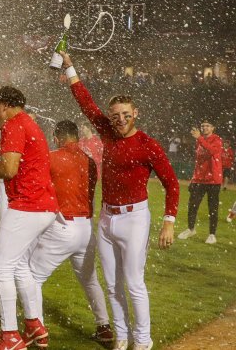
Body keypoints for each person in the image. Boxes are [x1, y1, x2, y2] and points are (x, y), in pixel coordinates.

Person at [61, 51, 179, 350]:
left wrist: (169, 222)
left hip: (134, 218)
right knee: (112, 285)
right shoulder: (107, 132)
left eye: (126, 115)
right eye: (115, 116)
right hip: (107, 217)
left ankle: (143, 341)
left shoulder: (147, 144)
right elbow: (85, 103)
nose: (121, 120)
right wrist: (70, 67)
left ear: (135, 113)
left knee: (134, 283)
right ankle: (123, 338)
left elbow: (172, 183)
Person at [0, 86, 58, 350]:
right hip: (43, 205)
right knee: (18, 267)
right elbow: (15, 163)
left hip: (28, 205)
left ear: (4, 105)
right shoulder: (26, 123)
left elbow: (9, 168)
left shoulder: (14, 125)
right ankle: (34, 326)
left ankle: (10, 337)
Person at [29, 120, 113, 344]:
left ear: (57, 137)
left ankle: (39, 333)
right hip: (86, 228)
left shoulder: (53, 156)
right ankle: (104, 327)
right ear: (76, 137)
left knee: (32, 277)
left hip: (63, 226)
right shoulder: (89, 160)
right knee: (90, 280)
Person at [178, 120, 223, 244]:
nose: (204, 128)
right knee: (192, 205)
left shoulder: (217, 140)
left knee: (212, 208)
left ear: (213, 128)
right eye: (203, 126)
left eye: (207, 126)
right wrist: (193, 179)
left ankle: (212, 234)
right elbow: (198, 162)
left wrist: (200, 139)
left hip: (213, 180)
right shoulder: (199, 141)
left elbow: (212, 152)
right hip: (199, 179)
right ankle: (191, 229)